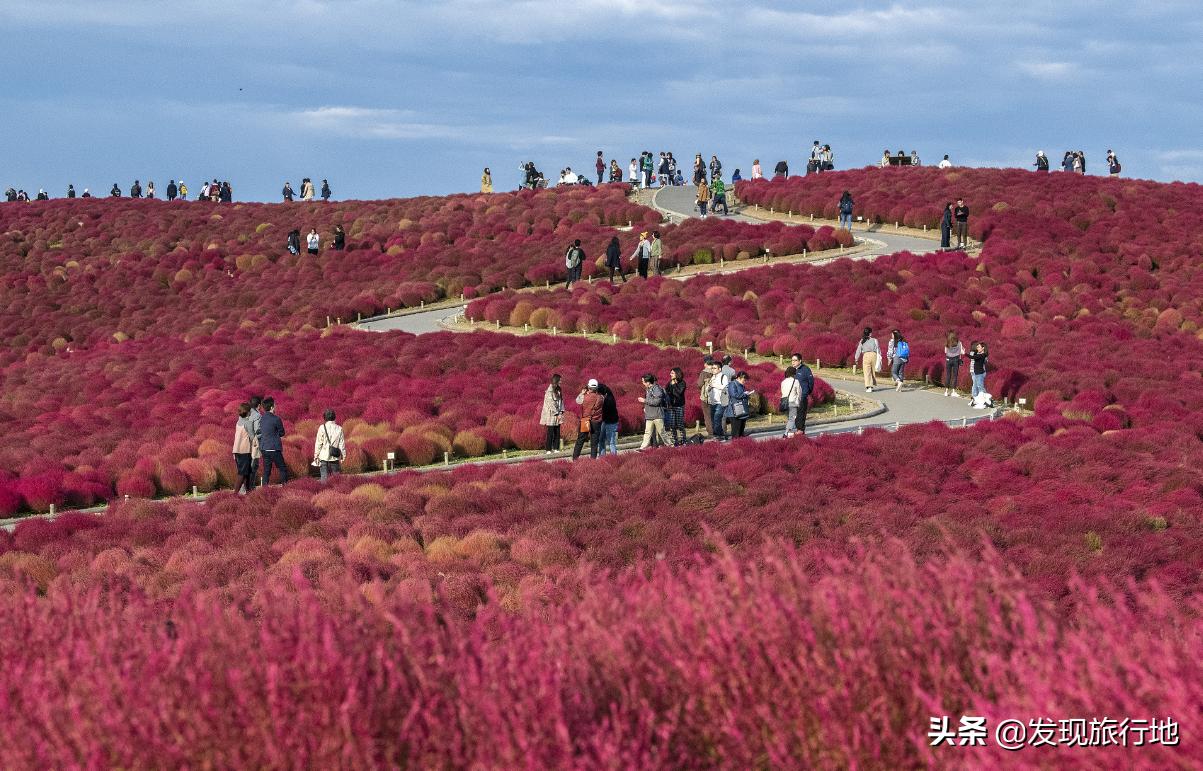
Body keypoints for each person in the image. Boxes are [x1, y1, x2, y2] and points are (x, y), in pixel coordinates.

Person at [573, 379, 604, 460]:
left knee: (580, 441)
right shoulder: (601, 397)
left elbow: (577, 401)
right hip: (596, 422)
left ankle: (575, 459)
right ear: (596, 388)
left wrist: (582, 393)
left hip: (585, 421)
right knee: (594, 443)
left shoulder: (584, 397)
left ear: (588, 387)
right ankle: (593, 460)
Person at [259, 397, 288, 485]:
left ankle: (265, 488)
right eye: (274, 405)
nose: (275, 406)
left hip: (264, 448)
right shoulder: (276, 419)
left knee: (267, 470)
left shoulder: (262, 418)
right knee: (282, 468)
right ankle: (285, 486)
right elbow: (282, 433)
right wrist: (275, 434)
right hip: (274, 448)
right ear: (272, 407)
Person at [312, 409, 345, 482]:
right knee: (336, 477)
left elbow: (318, 443)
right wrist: (343, 456)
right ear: (334, 417)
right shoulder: (339, 428)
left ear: (325, 417)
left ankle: (325, 490)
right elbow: (341, 444)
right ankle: (337, 491)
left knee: (324, 477)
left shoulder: (322, 428)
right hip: (334, 456)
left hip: (323, 456)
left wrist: (316, 456)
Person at [637, 374, 666, 449]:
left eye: (643, 381)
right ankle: (642, 448)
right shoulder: (648, 389)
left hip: (657, 415)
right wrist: (645, 407)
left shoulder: (657, 389)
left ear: (648, 382)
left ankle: (670, 446)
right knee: (647, 433)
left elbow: (656, 402)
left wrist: (644, 400)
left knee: (662, 433)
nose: (642, 383)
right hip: (649, 415)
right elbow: (648, 401)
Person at [788, 353, 815, 434]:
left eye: (795, 360)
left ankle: (800, 430)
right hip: (792, 396)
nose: (793, 362)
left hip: (802, 396)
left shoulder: (806, 370)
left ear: (800, 361)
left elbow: (811, 382)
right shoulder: (791, 370)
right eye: (792, 360)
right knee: (793, 414)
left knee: (801, 413)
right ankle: (794, 428)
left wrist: (807, 392)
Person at [232, 403, 255, 494]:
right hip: (244, 451)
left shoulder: (239, 421)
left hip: (237, 450)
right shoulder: (248, 423)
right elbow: (252, 437)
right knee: (242, 473)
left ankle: (249, 492)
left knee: (246, 472)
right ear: (248, 412)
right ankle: (235, 494)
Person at [540, 374, 564, 454]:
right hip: (551, 414)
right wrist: (557, 414)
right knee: (550, 432)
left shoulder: (559, 389)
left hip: (558, 413)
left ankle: (556, 448)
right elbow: (551, 404)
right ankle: (548, 449)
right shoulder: (549, 391)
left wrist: (561, 412)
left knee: (557, 432)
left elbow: (561, 401)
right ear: (556, 380)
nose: (561, 381)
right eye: (560, 380)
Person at [725, 371, 754, 439]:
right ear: (738, 378)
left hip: (741, 409)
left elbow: (741, 395)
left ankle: (740, 442)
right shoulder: (732, 384)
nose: (745, 381)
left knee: (741, 429)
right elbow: (734, 395)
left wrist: (747, 394)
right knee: (736, 431)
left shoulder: (741, 385)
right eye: (744, 380)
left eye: (745, 380)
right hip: (734, 410)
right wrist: (745, 394)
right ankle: (735, 443)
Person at [708, 360, 731, 439]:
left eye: (714, 368)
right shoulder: (712, 377)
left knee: (717, 419)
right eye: (712, 368)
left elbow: (725, 387)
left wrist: (714, 385)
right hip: (713, 402)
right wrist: (709, 388)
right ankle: (721, 435)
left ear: (720, 369)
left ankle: (717, 436)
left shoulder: (723, 377)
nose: (712, 370)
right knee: (713, 420)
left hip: (721, 402)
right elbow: (710, 388)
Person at [664, 367, 687, 446]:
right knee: (672, 425)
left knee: (680, 424)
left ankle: (683, 440)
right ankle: (675, 441)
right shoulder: (669, 382)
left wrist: (674, 385)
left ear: (677, 374)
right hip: (671, 406)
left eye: (672, 373)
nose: (670, 374)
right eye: (670, 373)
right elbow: (666, 392)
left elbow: (678, 394)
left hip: (679, 406)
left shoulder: (682, 383)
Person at [854, 327, 881, 392]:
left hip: (866, 355)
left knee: (867, 371)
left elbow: (858, 350)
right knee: (872, 371)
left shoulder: (862, 340)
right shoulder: (875, 340)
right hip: (874, 355)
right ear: (870, 333)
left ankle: (869, 386)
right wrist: (879, 358)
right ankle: (871, 385)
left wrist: (856, 358)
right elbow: (878, 349)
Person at [597, 382, 620, 455]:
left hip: (611, 422)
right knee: (601, 440)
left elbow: (605, 410)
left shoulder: (608, 400)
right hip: (605, 421)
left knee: (611, 441)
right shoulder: (607, 394)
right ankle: (602, 457)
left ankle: (613, 458)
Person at [696, 356, 715, 437]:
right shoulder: (716, 370)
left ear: (706, 364)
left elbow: (699, 384)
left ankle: (711, 433)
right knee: (715, 414)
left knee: (707, 415)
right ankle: (719, 431)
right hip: (716, 397)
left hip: (706, 397)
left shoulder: (704, 373)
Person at [781, 367, 802, 438]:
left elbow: (782, 392)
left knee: (789, 418)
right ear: (794, 373)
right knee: (792, 418)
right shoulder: (796, 381)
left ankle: (790, 433)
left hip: (784, 403)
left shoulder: (783, 382)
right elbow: (799, 393)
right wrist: (798, 402)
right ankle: (786, 433)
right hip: (793, 402)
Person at [943, 331, 965, 396]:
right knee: (955, 376)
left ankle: (946, 392)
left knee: (948, 375)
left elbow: (945, 351)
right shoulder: (959, 343)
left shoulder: (947, 343)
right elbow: (962, 352)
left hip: (948, 360)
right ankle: (953, 392)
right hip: (956, 360)